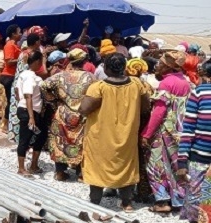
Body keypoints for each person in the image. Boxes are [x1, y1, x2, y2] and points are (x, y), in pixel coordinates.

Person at [79, 53, 150, 213]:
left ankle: (95, 202)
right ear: (124, 67)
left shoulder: (98, 87)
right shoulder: (137, 84)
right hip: (127, 135)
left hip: (100, 137)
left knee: (97, 167)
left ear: (106, 68)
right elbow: (146, 107)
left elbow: (84, 109)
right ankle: (127, 203)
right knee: (126, 166)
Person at [141, 51, 190, 213]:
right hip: (180, 130)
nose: (157, 66)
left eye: (160, 63)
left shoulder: (166, 84)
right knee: (177, 164)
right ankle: (179, 200)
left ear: (168, 66)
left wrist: (147, 134)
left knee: (156, 163)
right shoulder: (185, 81)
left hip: (164, 131)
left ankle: (162, 202)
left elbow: (159, 112)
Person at [41, 48, 96, 181]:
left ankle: (60, 172)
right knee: (81, 142)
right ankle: (80, 174)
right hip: (82, 115)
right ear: (84, 61)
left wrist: (53, 100)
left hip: (63, 112)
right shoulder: (90, 77)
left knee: (59, 141)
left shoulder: (60, 76)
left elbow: (43, 85)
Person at [178, 61, 211, 223]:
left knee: (196, 205)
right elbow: (189, 127)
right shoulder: (200, 93)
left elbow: (188, 128)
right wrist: (182, 161)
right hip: (199, 160)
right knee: (194, 205)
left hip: (199, 159)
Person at [125, 58, 155, 203]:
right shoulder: (147, 86)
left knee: (126, 158)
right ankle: (143, 192)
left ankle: (124, 191)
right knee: (142, 159)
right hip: (144, 125)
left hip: (127, 126)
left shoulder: (124, 85)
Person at [8, 33, 47, 142]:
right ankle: (29, 141)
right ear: (37, 42)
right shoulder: (33, 55)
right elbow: (43, 72)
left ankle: (18, 137)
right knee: (29, 111)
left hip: (18, 85)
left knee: (18, 111)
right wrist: (44, 58)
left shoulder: (22, 53)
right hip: (29, 86)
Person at [16, 50, 47, 177]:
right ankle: (22, 167)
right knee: (25, 138)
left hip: (27, 109)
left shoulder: (24, 74)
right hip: (29, 111)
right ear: (38, 61)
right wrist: (31, 117)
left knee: (41, 135)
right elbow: (28, 95)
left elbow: (17, 91)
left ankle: (33, 164)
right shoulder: (30, 77)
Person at [0, 24, 22, 131]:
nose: (21, 34)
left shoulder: (15, 45)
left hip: (12, 75)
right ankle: (5, 124)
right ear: (13, 34)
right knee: (10, 101)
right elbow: (8, 62)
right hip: (8, 76)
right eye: (19, 32)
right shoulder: (9, 45)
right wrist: (22, 59)